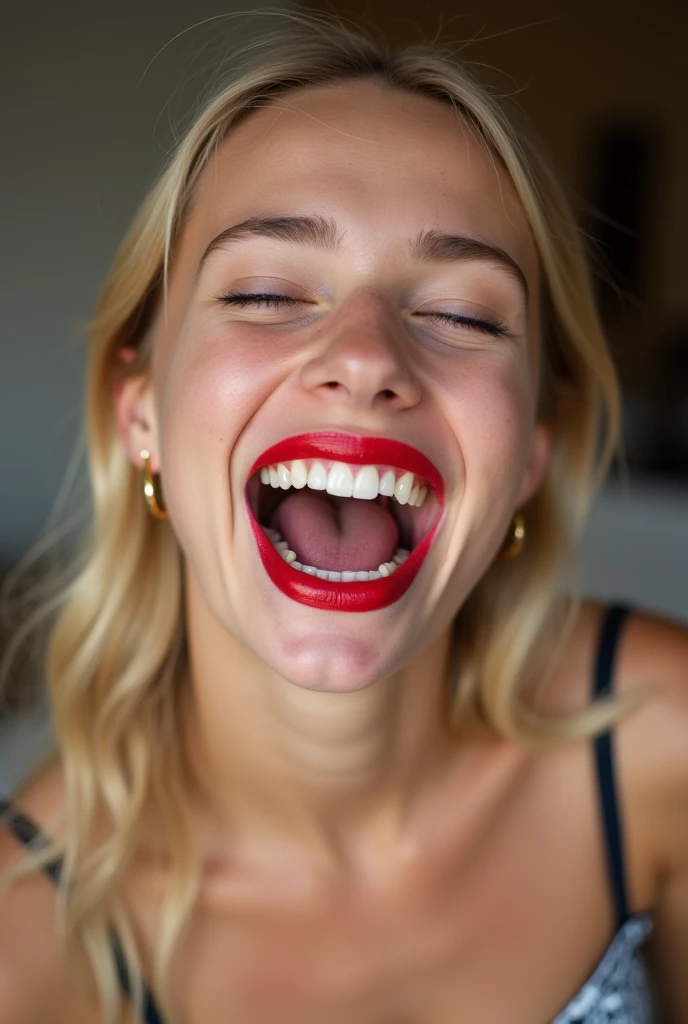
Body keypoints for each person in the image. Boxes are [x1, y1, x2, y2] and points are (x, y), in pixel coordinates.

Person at [0, 13, 686, 1024]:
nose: (366, 357)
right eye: (269, 291)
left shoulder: (659, 740)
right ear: (139, 414)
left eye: (461, 313)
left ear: (530, 455)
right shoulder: (25, 954)